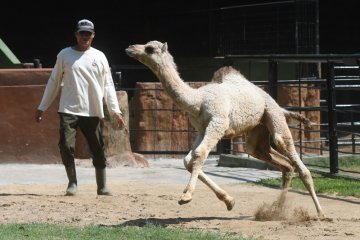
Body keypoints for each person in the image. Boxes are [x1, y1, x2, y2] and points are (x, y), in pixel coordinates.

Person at [35, 19, 124, 196]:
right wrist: (42, 106)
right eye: (81, 33)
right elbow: (54, 81)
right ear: (76, 34)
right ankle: (72, 183)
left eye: (88, 33)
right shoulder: (64, 55)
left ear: (93, 35)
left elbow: (107, 85)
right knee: (66, 146)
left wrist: (116, 110)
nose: (85, 36)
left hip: (92, 110)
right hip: (69, 109)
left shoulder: (100, 56)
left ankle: (102, 186)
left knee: (98, 148)